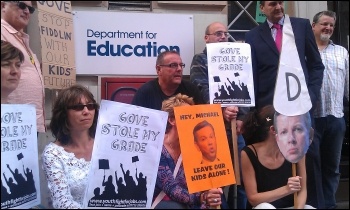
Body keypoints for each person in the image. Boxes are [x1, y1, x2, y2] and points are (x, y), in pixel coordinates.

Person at [244, 1, 325, 208]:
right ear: (262, 8)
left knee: (308, 162)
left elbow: (316, 66)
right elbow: (250, 76)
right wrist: (251, 114)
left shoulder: (301, 26)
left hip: (300, 110)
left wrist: (311, 97)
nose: (278, 7)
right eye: (272, 4)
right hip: (268, 111)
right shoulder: (252, 36)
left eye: (281, 2)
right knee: (271, 161)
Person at [190, 21, 247, 209]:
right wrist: (221, 111)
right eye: (218, 33)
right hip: (213, 128)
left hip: (235, 128)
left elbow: (245, 90)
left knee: (241, 179)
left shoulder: (237, 59)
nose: (223, 36)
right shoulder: (200, 60)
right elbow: (201, 88)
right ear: (207, 38)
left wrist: (241, 118)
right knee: (216, 181)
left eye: (225, 33)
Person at [153, 93, 223, 209]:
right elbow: (172, 188)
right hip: (163, 203)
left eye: (194, 115)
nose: (192, 119)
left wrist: (210, 195)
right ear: (171, 120)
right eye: (187, 115)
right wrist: (203, 197)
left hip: (191, 202)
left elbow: (202, 181)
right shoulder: (156, 147)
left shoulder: (195, 146)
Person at [241, 105, 314, 209]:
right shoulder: (249, 153)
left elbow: (302, 190)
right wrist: (287, 189)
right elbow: (253, 199)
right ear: (273, 130)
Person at [311, 10, 349, 209]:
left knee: (332, 167)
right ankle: (315, 204)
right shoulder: (305, 50)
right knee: (313, 166)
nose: (328, 28)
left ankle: (329, 204)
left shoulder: (342, 52)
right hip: (312, 118)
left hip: (336, 117)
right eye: (324, 24)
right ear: (313, 26)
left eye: (331, 25)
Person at [41, 84, 99, 209]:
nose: (86, 111)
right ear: (63, 114)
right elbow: (63, 203)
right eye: (78, 107)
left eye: (90, 106)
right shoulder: (52, 154)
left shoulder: (105, 144)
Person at [1, 1, 45, 133]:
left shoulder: (21, 38)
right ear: (3, 6)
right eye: (21, 5)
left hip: (26, 121)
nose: (27, 11)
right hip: (10, 121)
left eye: (30, 9)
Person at [132, 50, 205, 110]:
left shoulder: (191, 89)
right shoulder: (145, 92)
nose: (179, 69)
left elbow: (203, 116)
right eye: (173, 65)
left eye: (181, 65)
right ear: (159, 69)